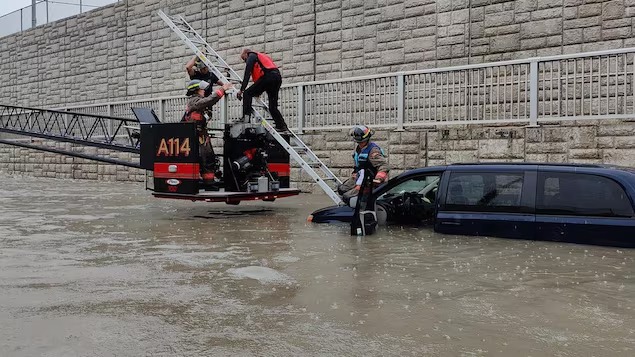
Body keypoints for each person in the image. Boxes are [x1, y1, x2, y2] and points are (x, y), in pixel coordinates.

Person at [184, 79, 234, 183]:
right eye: (202, 89)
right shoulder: (194, 101)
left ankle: (209, 180)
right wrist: (221, 90)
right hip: (195, 134)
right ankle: (208, 181)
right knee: (204, 156)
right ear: (196, 90)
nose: (204, 91)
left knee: (209, 156)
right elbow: (208, 101)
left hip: (201, 133)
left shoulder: (198, 101)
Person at [236, 48, 289, 132]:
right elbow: (261, 73)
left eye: (244, 59)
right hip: (277, 78)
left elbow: (247, 73)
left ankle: (246, 118)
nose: (245, 61)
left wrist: (241, 90)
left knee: (247, 93)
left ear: (246, 53)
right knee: (272, 106)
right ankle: (281, 125)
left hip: (268, 77)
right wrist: (258, 91)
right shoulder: (260, 56)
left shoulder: (251, 55)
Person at [337, 125, 390, 204]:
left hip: (370, 181)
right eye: (359, 142)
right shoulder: (359, 149)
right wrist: (354, 175)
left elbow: (384, 166)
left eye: (361, 142)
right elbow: (359, 166)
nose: (360, 143)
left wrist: (379, 178)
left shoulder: (373, 151)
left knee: (347, 197)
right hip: (359, 177)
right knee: (341, 189)